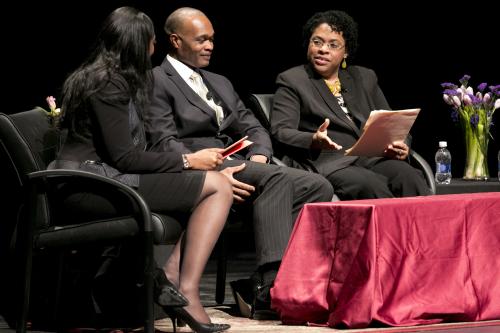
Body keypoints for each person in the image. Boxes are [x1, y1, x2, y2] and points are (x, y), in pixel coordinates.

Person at [49, 6, 231, 333]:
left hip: (104, 178)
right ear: (137, 44)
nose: (153, 48)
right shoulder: (107, 83)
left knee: (211, 184)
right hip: (91, 186)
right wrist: (188, 160)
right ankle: (183, 286)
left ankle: (173, 279)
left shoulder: (102, 75)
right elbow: (126, 158)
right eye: (150, 41)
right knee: (217, 186)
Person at [144, 7, 334, 317]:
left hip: (243, 163)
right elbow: (165, 143)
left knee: (317, 186)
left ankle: (261, 282)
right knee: (279, 179)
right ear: (176, 41)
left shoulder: (218, 81)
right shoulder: (155, 81)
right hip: (200, 167)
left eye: (212, 40)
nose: (210, 46)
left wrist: (259, 154)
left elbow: (252, 125)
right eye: (202, 40)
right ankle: (272, 284)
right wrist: (214, 174)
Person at [270, 10, 430, 199]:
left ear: (345, 52)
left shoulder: (364, 77)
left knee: (409, 177)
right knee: (371, 186)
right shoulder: (292, 80)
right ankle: (386, 230)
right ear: (308, 44)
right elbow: (281, 130)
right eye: (317, 42)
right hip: (328, 162)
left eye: (333, 45)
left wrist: (401, 144)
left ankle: (424, 229)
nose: (323, 49)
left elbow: (392, 122)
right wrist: (313, 139)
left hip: (371, 157)